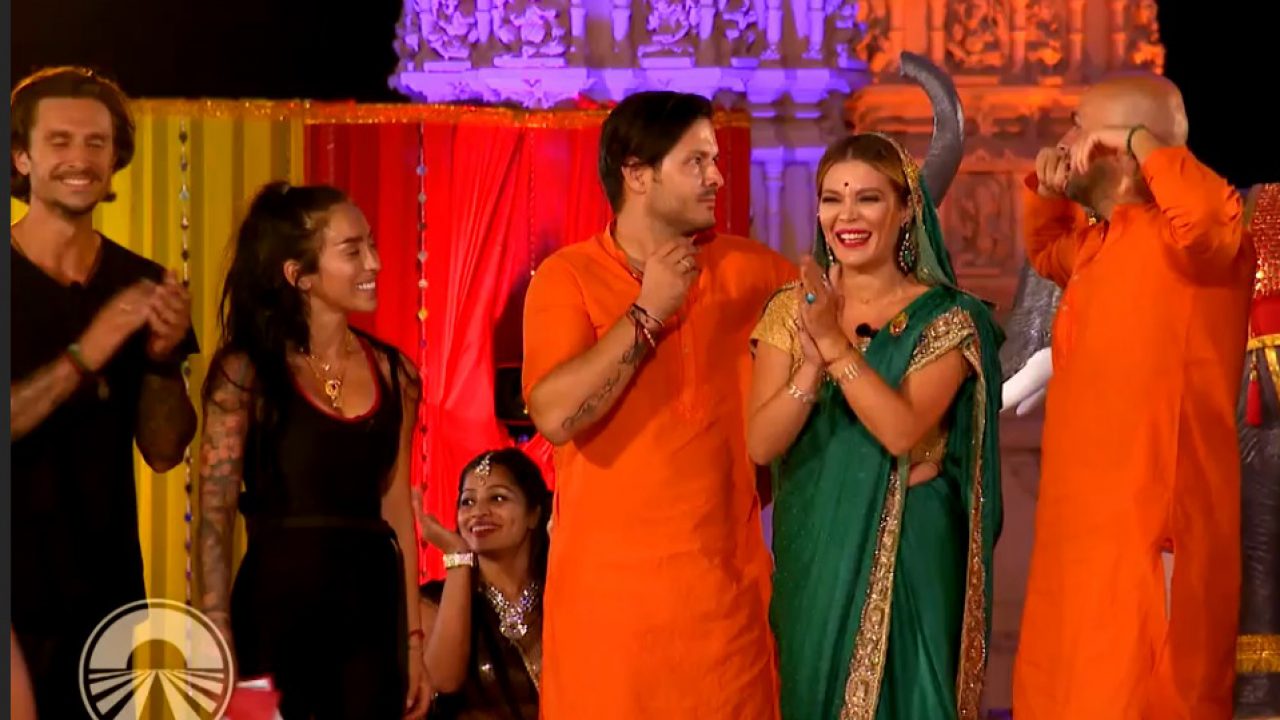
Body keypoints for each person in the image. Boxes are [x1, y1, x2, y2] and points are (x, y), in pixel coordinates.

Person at [521, 90, 795, 719]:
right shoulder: (568, 277)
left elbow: (845, 324)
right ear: (637, 175)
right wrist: (648, 312)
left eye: (714, 160)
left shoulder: (754, 273)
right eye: (696, 162)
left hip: (727, 621)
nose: (717, 177)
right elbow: (555, 415)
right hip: (609, 623)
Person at [1012, 73, 1254, 719]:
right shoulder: (1099, 241)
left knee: (1140, 694)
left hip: (1154, 538)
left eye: (1078, 126)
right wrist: (1049, 193)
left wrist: (1139, 139)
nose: (1063, 142)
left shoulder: (1200, 244)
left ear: (1121, 148)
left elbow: (1205, 217)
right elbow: (1045, 252)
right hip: (1081, 538)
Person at [748, 132, 1004, 720]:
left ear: (907, 209)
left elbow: (901, 431)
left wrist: (835, 345)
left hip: (912, 550)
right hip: (817, 550)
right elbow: (761, 443)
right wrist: (810, 363)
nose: (847, 216)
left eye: (868, 198)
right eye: (832, 199)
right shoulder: (790, 311)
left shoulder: (945, 317)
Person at [196, 181, 429, 719]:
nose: (374, 262)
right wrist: (214, 632)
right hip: (274, 611)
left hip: (370, 616)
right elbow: (214, 515)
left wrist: (413, 642)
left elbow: (397, 507)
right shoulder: (246, 373)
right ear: (298, 275)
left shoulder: (397, 374)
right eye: (352, 250)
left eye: (372, 244)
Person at [9, 66, 199, 717]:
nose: (80, 159)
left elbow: (166, 450)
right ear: (21, 156)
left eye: (96, 142)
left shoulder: (141, 281)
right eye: (59, 141)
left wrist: (162, 359)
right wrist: (86, 354)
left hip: (106, 600)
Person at [417, 448, 551, 719]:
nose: (478, 512)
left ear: (534, 514)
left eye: (498, 498)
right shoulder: (432, 603)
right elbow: (442, 681)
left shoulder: (560, 597)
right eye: (467, 502)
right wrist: (458, 557)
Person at [1236, 182, 1280, 720]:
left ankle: (1257, 689)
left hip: (1253, 374)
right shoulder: (1242, 206)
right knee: (1257, 543)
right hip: (1251, 381)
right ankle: (1256, 686)